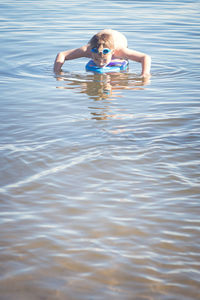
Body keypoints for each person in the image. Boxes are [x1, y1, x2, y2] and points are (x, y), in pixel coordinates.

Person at [54, 29, 151, 78]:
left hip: (118, 38)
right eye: (96, 59)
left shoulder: (119, 51)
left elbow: (145, 57)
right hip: (99, 39)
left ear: (112, 52)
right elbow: (62, 55)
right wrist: (57, 72)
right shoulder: (87, 50)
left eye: (104, 60)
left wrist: (145, 73)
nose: (100, 63)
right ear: (91, 54)